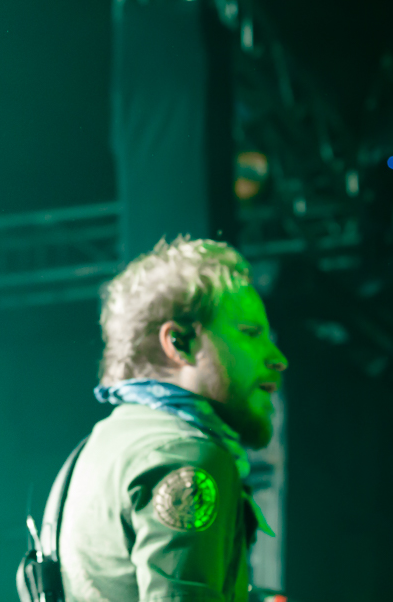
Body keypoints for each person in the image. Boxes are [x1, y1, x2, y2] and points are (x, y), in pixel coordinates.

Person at [55, 237, 288, 602]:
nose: (277, 358)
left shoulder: (101, 446)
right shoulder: (185, 455)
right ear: (180, 342)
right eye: (251, 333)